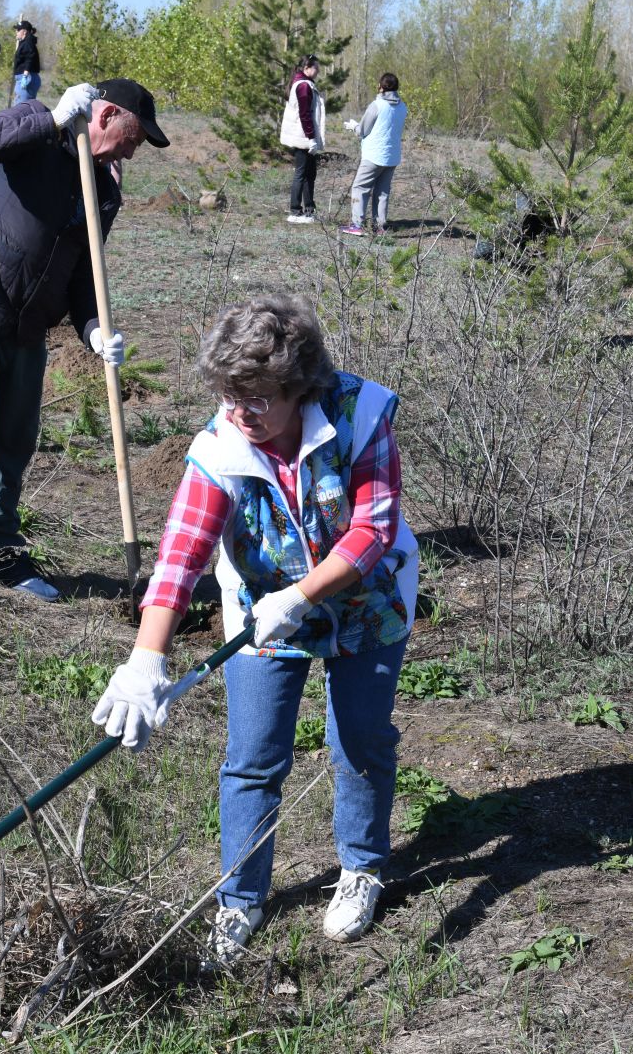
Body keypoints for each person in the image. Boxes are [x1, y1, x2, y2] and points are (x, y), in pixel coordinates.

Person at [92, 295, 418, 968]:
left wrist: (301, 595)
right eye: (229, 397)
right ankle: (240, 899)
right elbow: (182, 552)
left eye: (258, 399)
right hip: (263, 612)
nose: (241, 413)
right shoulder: (221, 445)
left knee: (358, 739)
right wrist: (147, 657)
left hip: (368, 603)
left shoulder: (361, 414)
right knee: (253, 757)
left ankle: (361, 868)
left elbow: (373, 531)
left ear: (299, 387)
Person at [0, 79, 171, 599]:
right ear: (107, 114)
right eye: (133, 138)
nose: (133, 153)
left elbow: (82, 275)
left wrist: (94, 331)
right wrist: (50, 119)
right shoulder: (34, 130)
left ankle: (2, 554)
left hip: (30, 327)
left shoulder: (103, 189)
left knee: (14, 441)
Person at [341, 73, 407, 237]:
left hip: (374, 155)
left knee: (360, 188)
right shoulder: (402, 106)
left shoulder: (377, 105)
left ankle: (357, 225)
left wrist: (352, 126)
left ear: (381, 87)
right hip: (392, 157)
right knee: (382, 191)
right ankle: (379, 227)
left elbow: (363, 130)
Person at [279, 55, 326, 224]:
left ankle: (309, 210)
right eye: (316, 67)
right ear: (307, 67)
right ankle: (295, 211)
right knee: (301, 173)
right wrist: (311, 137)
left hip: (305, 137)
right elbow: (305, 115)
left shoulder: (306, 84)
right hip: (303, 137)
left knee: (309, 174)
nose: (318, 70)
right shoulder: (303, 86)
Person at [11, 20, 42, 106]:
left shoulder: (28, 43)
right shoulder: (27, 42)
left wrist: (25, 75)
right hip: (29, 76)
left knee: (19, 109)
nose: (16, 32)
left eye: (18, 30)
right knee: (26, 109)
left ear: (24, 32)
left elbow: (30, 58)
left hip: (26, 77)